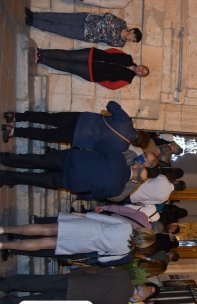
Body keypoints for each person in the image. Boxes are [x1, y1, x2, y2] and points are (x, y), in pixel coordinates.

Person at [0, 142, 147, 200]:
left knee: (39, 160)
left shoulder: (119, 157)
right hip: (73, 181)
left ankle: (6, 159)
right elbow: (94, 194)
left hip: (73, 160)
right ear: (134, 181)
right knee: (37, 179)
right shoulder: (117, 189)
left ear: (136, 166)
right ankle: (6, 177)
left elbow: (99, 146)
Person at [0, 213, 154, 263]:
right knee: (43, 244)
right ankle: (4, 246)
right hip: (83, 244)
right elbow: (102, 259)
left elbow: (102, 218)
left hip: (85, 227)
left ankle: (4, 229)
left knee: (44, 228)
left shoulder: (125, 225)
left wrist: (82, 215)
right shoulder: (124, 251)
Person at [2, 101, 143, 151]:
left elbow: (111, 105)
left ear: (138, 131)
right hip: (80, 138)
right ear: (136, 144)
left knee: (49, 118)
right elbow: (101, 149)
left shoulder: (126, 121)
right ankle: (13, 131)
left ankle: (15, 116)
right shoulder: (122, 148)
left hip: (82, 119)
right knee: (46, 136)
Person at [0, 267, 160, 304]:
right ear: (136, 298)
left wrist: (76, 272)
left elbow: (96, 270)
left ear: (139, 285)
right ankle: (7, 303)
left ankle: (6, 284)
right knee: (37, 303)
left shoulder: (123, 275)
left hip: (75, 281)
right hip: (74, 300)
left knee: (40, 282)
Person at [36, 47, 149, 90]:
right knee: (68, 55)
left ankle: (42, 60)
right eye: (143, 68)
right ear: (141, 65)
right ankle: (41, 52)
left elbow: (111, 86)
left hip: (92, 72)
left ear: (140, 76)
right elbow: (113, 51)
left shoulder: (127, 79)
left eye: (142, 73)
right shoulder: (128, 58)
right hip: (93, 54)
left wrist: (99, 77)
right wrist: (104, 55)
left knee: (68, 66)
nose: (141, 70)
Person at [25, 7, 142, 47]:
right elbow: (108, 16)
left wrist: (106, 28)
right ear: (132, 31)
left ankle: (34, 22)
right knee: (59, 17)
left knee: (58, 29)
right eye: (134, 37)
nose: (132, 39)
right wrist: (105, 29)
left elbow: (107, 39)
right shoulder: (123, 23)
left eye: (134, 41)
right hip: (87, 19)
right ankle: (34, 15)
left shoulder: (120, 43)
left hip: (86, 34)